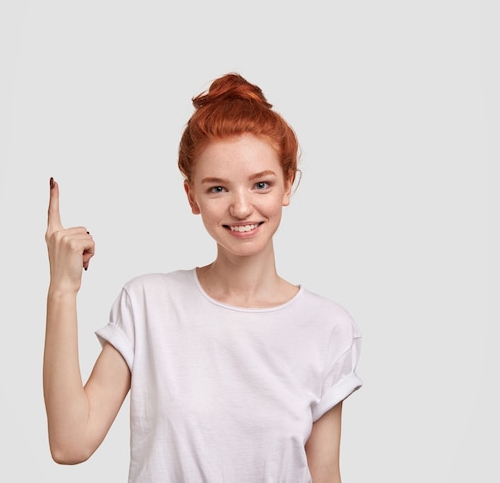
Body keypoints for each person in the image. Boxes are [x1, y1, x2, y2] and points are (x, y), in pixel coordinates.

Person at [43, 72, 362, 483]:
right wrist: (62, 290)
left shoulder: (328, 327)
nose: (242, 208)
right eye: (217, 189)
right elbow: (70, 444)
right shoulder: (148, 304)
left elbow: (324, 475)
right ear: (192, 196)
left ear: (288, 184)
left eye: (261, 184)